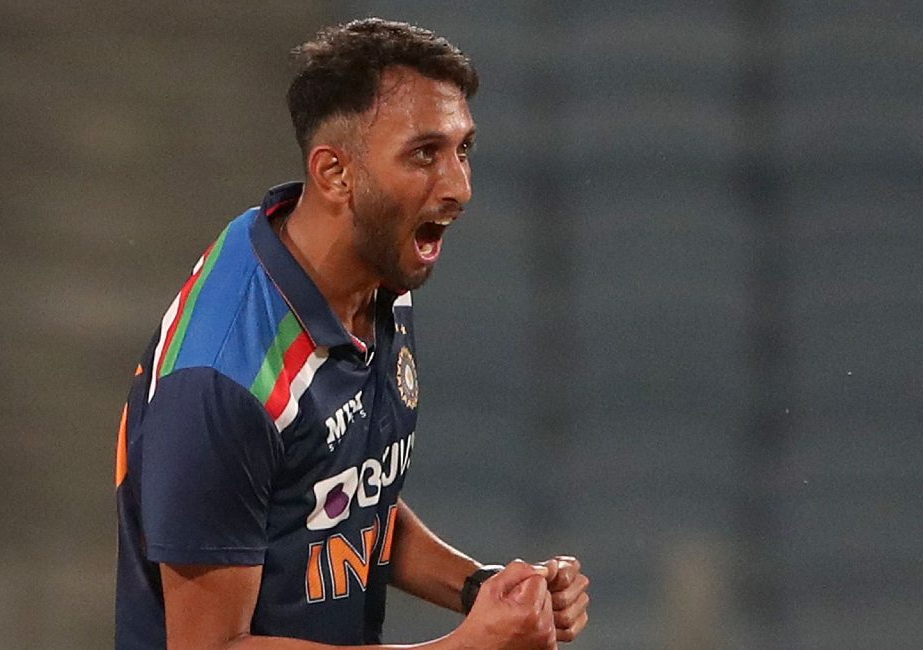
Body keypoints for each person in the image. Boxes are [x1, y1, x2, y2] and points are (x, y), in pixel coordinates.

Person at [114, 18, 590, 649]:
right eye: (424, 154)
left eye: (463, 149)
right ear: (334, 173)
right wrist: (464, 647)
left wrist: (481, 588)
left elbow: (342, 501)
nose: (460, 188)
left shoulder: (376, 275)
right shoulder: (224, 379)